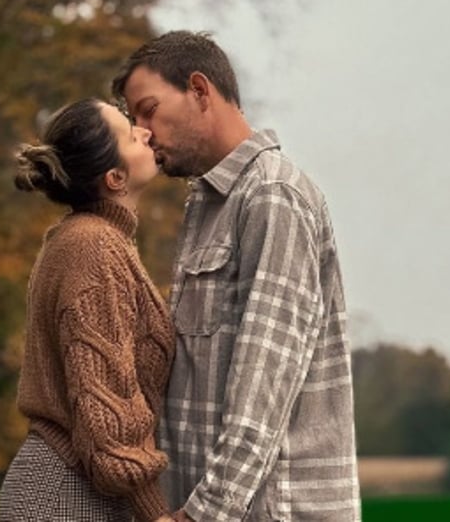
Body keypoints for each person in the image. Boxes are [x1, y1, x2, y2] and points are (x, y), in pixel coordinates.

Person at [112, 31, 361, 521]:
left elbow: (263, 389)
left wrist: (201, 515)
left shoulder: (272, 195)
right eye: (132, 120)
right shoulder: (208, 207)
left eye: (148, 110)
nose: (141, 132)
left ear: (200, 91)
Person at [0, 98, 176, 522]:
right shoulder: (94, 246)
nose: (145, 131)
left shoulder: (87, 239)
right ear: (115, 177)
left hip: (72, 490)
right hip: (64, 497)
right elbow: (105, 406)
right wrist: (156, 514)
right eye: (130, 133)